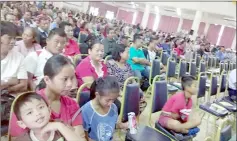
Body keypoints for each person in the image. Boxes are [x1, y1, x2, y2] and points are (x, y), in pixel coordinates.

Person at [10, 55, 86, 141]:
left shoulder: (71, 104)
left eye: (72, 78)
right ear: (47, 80)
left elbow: (81, 138)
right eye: (64, 79)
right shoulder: (27, 105)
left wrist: (59, 126)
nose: (70, 84)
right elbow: (17, 138)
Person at [13, 92, 80, 141]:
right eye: (29, 112)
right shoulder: (22, 139)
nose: (37, 113)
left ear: (49, 110)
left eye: (41, 107)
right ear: (22, 124)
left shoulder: (61, 125)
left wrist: (60, 126)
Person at [81, 76, 128, 141]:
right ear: (97, 95)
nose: (110, 103)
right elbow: (82, 134)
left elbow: (110, 126)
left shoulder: (113, 108)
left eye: (114, 99)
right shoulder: (86, 111)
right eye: (108, 100)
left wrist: (122, 125)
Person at [1, 21, 28, 94]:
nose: (13, 41)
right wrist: (12, 80)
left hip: (9, 97)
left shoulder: (19, 57)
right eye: (9, 38)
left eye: (14, 38)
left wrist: (6, 89)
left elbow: (23, 85)